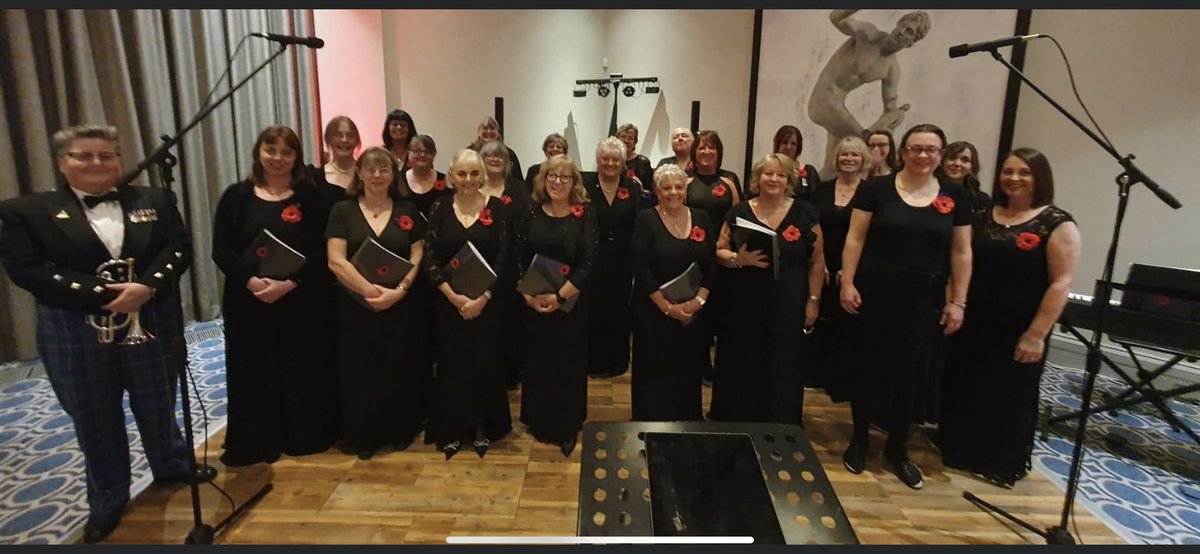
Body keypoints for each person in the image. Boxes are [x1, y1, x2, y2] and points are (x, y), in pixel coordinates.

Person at [0, 124, 192, 543]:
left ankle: (171, 463)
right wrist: (98, 295)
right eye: (83, 156)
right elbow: (26, 269)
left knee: (159, 399)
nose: (97, 163)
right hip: (76, 330)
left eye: (106, 155)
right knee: (95, 417)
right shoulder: (27, 211)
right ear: (62, 163)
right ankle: (108, 497)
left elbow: (177, 248)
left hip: (150, 319)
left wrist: (150, 286)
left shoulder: (156, 199)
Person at [838, 123, 971, 490]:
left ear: (941, 155)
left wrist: (958, 301)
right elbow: (855, 237)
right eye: (916, 148)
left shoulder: (955, 195)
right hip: (876, 291)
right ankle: (860, 439)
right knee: (868, 367)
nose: (923, 155)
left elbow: (961, 251)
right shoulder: (876, 189)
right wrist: (847, 282)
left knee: (911, 375)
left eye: (931, 149)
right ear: (903, 153)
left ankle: (898, 448)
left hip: (925, 298)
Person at [939, 148, 1080, 487]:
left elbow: (1061, 283)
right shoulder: (986, 214)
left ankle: (999, 461)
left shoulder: (1056, 223)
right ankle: (958, 450)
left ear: (1039, 178)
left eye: (1024, 173)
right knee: (966, 386)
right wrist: (954, 302)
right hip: (976, 319)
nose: (1014, 178)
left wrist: (1037, 334)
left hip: (1019, 324)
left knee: (1010, 394)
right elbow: (960, 262)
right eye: (1008, 171)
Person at [211, 125, 339, 468]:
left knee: (302, 367)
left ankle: (302, 434)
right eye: (271, 150)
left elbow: (319, 249)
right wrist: (250, 281)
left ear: (296, 157)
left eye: (286, 152)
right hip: (248, 300)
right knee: (253, 369)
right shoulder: (236, 196)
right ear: (258, 152)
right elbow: (221, 249)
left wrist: (291, 283)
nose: (278, 158)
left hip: (300, 299)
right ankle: (257, 440)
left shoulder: (310, 198)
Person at [325, 147, 431, 460]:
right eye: (370, 169)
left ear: (393, 174)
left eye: (383, 169)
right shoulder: (342, 211)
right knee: (361, 371)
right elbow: (335, 260)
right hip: (355, 308)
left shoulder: (407, 209)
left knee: (398, 367)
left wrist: (399, 290)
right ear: (359, 173)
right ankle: (364, 435)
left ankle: (399, 430)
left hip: (400, 306)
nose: (376, 175)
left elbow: (418, 253)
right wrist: (369, 292)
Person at [709, 153, 825, 424]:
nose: (773, 179)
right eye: (768, 173)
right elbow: (718, 250)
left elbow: (818, 261)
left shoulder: (805, 212)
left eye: (781, 175)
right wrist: (740, 259)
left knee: (783, 360)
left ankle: (778, 424)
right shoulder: (739, 211)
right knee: (741, 358)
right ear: (757, 178)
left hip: (789, 299)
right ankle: (735, 420)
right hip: (744, 300)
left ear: (789, 181)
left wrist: (813, 300)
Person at [421, 149, 512, 459]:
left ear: (482, 175)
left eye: (474, 173)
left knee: (484, 363)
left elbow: (503, 258)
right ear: (451, 175)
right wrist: (453, 296)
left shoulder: (497, 209)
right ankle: (452, 427)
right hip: (450, 305)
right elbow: (430, 257)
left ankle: (482, 426)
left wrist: (482, 298)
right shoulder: (439, 208)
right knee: (452, 364)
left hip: (487, 305)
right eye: (462, 173)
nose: (468, 180)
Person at [515, 155, 598, 457]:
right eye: (552, 176)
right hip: (535, 301)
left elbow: (589, 260)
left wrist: (560, 296)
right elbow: (519, 255)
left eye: (564, 177)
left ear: (574, 182)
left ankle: (565, 427)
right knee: (539, 362)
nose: (558, 182)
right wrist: (528, 295)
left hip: (570, 304)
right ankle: (539, 420)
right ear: (543, 180)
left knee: (567, 365)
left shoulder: (584, 214)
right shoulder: (532, 212)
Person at [629, 164, 716, 421]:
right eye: (667, 188)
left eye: (678, 187)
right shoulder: (646, 218)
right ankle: (650, 422)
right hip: (654, 311)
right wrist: (667, 307)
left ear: (686, 191)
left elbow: (710, 263)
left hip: (692, 312)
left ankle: (686, 422)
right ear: (657, 191)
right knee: (654, 370)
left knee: (687, 370)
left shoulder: (701, 218)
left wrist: (698, 301)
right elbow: (640, 266)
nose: (673, 192)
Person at [809, 9, 931, 177]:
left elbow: (889, 109)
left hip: (839, 107)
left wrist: (896, 116)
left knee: (832, 168)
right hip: (822, 99)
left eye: (909, 32)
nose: (901, 32)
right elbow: (836, 18)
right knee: (864, 142)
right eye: (902, 26)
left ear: (911, 43)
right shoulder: (869, 35)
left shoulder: (891, 69)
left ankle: (821, 197)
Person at [806, 135, 872, 403]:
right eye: (844, 154)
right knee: (817, 320)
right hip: (820, 263)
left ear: (863, 159)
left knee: (846, 327)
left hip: (852, 270)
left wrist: (851, 271)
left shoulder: (870, 192)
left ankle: (839, 382)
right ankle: (814, 377)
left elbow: (868, 236)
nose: (848, 159)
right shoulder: (821, 190)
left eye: (854, 155)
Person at [583, 137, 642, 378]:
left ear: (623, 162)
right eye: (605, 158)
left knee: (619, 312)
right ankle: (592, 362)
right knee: (592, 310)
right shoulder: (584, 186)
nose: (610, 163)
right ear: (597, 161)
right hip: (591, 260)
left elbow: (639, 222)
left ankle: (617, 362)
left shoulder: (633, 187)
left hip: (622, 261)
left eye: (615, 159)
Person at [687, 130, 741, 386]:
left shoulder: (729, 181)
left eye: (711, 147)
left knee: (723, 313)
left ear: (719, 152)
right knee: (699, 314)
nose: (706, 152)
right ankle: (698, 363)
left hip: (722, 256)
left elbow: (739, 218)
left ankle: (722, 368)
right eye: (701, 147)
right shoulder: (685, 181)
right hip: (692, 257)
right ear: (694, 152)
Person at [479, 140, 533, 390]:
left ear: (507, 161)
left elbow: (529, 225)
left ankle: (512, 371)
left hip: (512, 265)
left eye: (500, 156)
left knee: (511, 319)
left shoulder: (519, 189)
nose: (495, 159)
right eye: (489, 155)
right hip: (481, 263)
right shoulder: (473, 187)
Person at [308, 115, 360, 203]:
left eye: (350, 135)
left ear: (356, 140)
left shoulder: (367, 174)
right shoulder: (316, 178)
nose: (344, 140)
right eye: (338, 135)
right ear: (328, 139)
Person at [938, 140, 992, 219]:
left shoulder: (981, 200)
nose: (957, 163)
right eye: (952, 158)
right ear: (942, 161)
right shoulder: (929, 193)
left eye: (965, 160)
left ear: (972, 166)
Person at [401, 134, 450, 219]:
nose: (423, 155)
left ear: (434, 155)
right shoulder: (398, 180)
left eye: (428, 151)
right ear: (408, 153)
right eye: (417, 151)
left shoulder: (446, 181)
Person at [771, 125, 821, 201]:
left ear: (798, 147)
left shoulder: (809, 172)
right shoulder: (765, 169)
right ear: (777, 144)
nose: (789, 147)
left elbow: (817, 202)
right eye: (785, 142)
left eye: (793, 143)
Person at [469, 116, 523, 183]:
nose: (489, 131)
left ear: (498, 133)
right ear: (478, 132)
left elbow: (519, 180)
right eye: (485, 128)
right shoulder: (469, 152)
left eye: (492, 128)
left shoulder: (509, 153)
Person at [616, 123, 655, 196]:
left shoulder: (643, 162)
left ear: (635, 142)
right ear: (617, 139)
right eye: (623, 137)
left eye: (630, 138)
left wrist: (641, 189)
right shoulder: (610, 161)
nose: (626, 141)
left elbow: (652, 194)